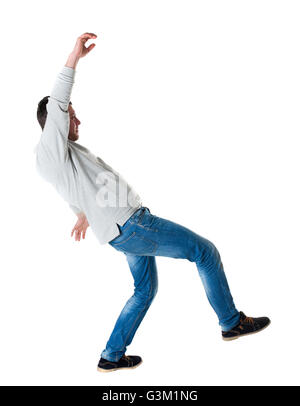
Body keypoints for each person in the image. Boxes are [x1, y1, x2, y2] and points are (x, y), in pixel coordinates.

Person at [35, 32, 271, 373]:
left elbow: (78, 189)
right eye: (71, 116)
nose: (77, 120)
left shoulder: (66, 156)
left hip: (125, 228)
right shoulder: (50, 150)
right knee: (205, 252)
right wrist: (73, 57)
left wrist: (83, 214)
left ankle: (111, 356)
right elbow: (58, 100)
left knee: (144, 290)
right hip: (133, 226)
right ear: (53, 125)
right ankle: (230, 321)